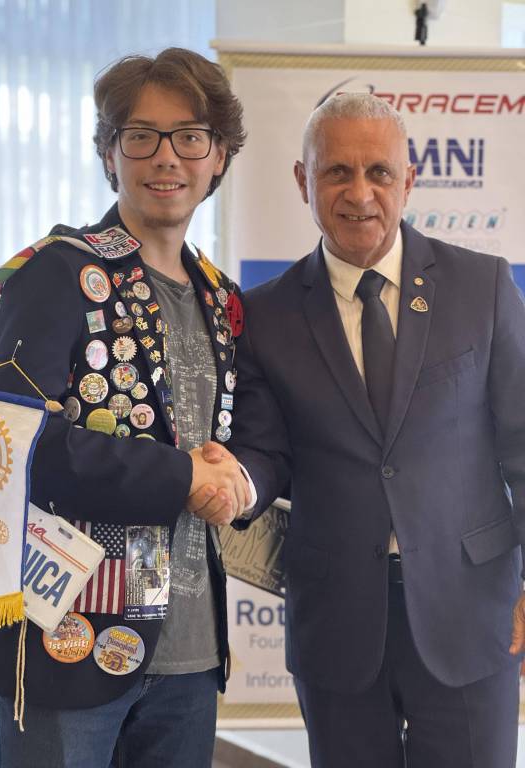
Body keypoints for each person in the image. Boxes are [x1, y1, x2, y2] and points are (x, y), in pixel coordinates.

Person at [190, 92, 525, 767]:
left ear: (409, 180)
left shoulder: (481, 287)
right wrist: (239, 481)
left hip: (469, 612)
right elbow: (268, 451)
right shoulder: (266, 313)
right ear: (303, 180)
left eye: (379, 172)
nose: (359, 193)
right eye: (337, 172)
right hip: (337, 620)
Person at [0, 48, 250, 768]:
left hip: (188, 653)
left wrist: (233, 477)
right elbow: (2, 442)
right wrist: (181, 476)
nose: (166, 157)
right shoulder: (58, 272)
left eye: (190, 136)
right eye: (141, 136)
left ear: (219, 156)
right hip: (64, 642)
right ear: (108, 153)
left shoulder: (221, 298)